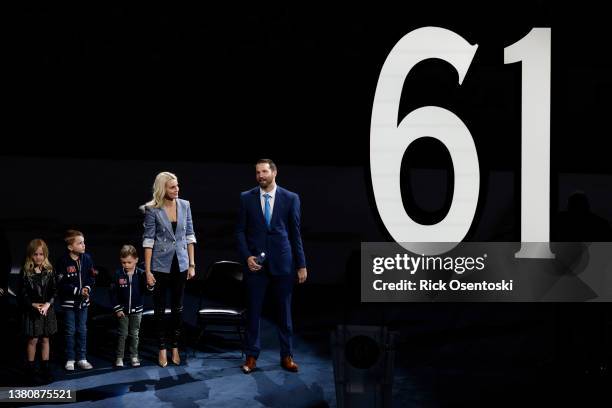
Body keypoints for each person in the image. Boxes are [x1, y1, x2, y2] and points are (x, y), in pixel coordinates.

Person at [236, 159, 307, 374]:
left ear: (274, 172)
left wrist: (301, 264)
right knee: (254, 313)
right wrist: (247, 256)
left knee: (284, 313)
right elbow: (239, 231)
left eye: (264, 171)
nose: (260, 176)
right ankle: (251, 357)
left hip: (283, 264)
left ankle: (287, 356)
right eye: (257, 172)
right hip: (255, 265)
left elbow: (295, 234)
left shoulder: (290, 198)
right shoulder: (246, 198)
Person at [142, 171, 197, 367]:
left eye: (177, 186)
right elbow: (148, 241)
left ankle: (175, 346)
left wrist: (191, 264)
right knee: (159, 309)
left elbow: (190, 235)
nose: (177, 189)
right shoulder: (152, 209)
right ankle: (162, 348)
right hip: (159, 266)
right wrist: (148, 271)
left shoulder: (185, 205)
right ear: (162, 188)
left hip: (181, 264)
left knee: (178, 308)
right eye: (172, 186)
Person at [18, 239, 57, 384]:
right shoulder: (26, 272)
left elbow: (54, 291)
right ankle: (30, 369)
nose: (39, 257)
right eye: (36, 254)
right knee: (33, 339)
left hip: (46, 309)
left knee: (45, 339)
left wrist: (47, 304)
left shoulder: (50, 271)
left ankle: (45, 368)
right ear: (30, 255)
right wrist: (33, 305)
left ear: (45, 254)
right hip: (32, 310)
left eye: (41, 254)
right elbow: (22, 294)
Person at [56, 230, 96, 371]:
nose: (84, 245)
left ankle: (82, 358)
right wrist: (77, 291)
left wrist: (86, 288)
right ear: (70, 247)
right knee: (70, 331)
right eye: (80, 243)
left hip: (83, 303)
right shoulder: (63, 261)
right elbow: (60, 284)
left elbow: (91, 278)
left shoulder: (88, 259)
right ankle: (70, 358)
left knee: (82, 330)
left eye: (84, 242)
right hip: (69, 303)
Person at [110, 245, 153, 368]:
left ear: (136, 260)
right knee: (122, 334)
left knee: (134, 334)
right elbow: (113, 294)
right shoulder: (118, 274)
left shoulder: (141, 274)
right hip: (122, 311)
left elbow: (148, 292)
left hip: (137, 310)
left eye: (129, 262)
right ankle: (119, 357)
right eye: (124, 262)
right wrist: (117, 308)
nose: (126, 265)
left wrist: (150, 285)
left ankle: (134, 356)